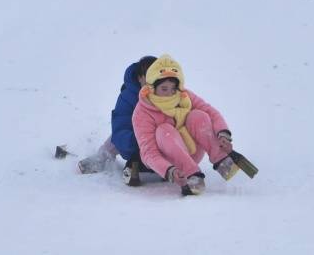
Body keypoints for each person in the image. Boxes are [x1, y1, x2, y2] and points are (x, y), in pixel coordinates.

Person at [132, 54, 242, 196]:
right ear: (152, 88)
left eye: (173, 89)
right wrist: (170, 171)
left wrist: (223, 134)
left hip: (191, 151)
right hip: (169, 164)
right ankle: (192, 174)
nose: (169, 93)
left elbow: (211, 112)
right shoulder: (143, 111)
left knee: (198, 115)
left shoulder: (183, 95)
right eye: (164, 89)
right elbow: (148, 153)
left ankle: (221, 160)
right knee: (164, 130)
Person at [77, 56, 158, 186]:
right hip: (134, 136)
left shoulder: (166, 92)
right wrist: (132, 142)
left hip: (158, 137)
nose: (152, 82)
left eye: (155, 77)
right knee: (115, 139)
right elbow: (121, 124)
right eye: (147, 78)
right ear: (139, 78)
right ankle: (102, 158)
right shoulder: (129, 97)